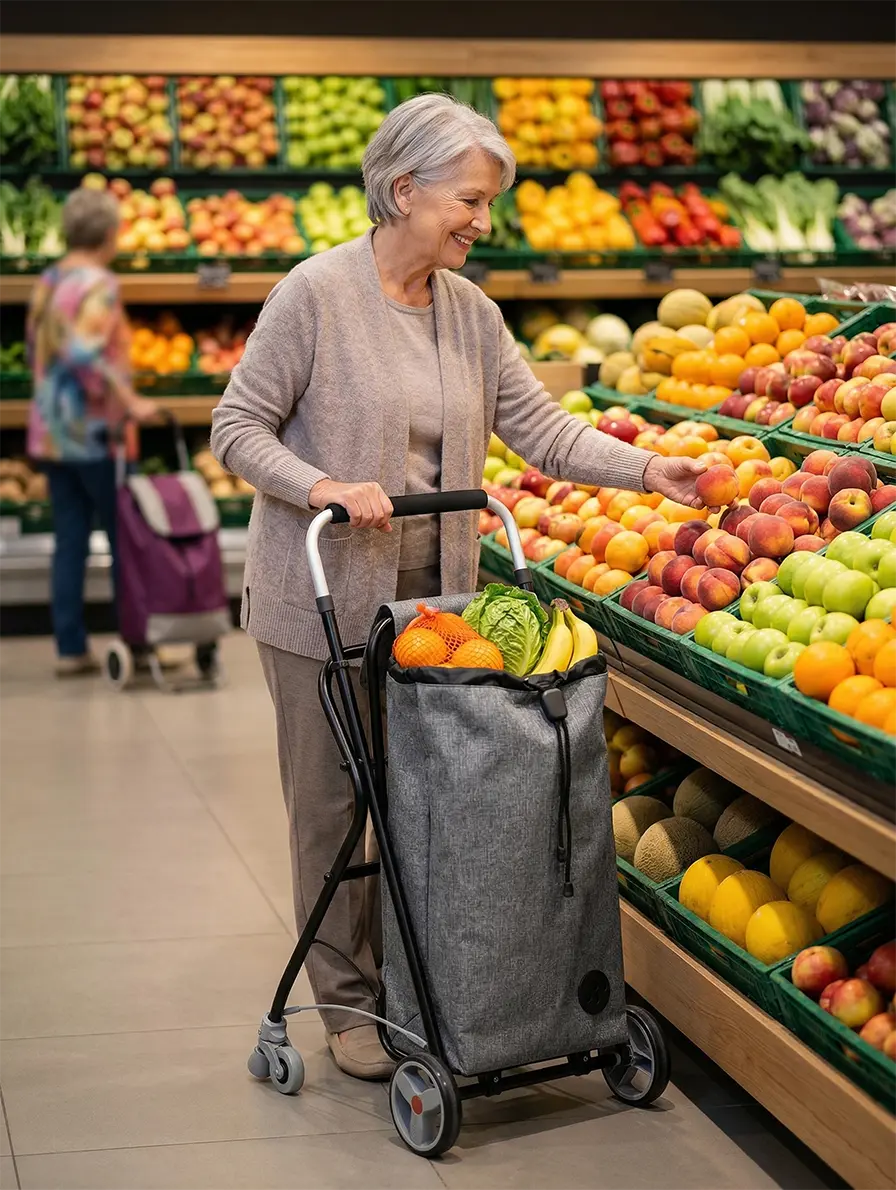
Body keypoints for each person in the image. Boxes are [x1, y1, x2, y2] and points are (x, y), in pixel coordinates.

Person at [210, 94, 706, 1081]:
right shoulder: (314, 296)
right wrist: (323, 486)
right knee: (332, 805)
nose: (483, 222)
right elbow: (236, 426)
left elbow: (542, 430)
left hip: (434, 611)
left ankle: (415, 982)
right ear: (404, 190)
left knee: (420, 798)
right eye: (471, 201)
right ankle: (346, 1002)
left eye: (488, 205)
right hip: (321, 604)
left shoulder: (470, 314)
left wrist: (648, 472)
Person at [27, 187, 157, 676]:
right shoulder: (97, 283)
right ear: (109, 233)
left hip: (53, 433)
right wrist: (130, 403)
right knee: (128, 538)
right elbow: (85, 355)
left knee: (70, 540)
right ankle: (136, 642)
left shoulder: (49, 278)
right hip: (96, 432)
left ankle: (70, 647)